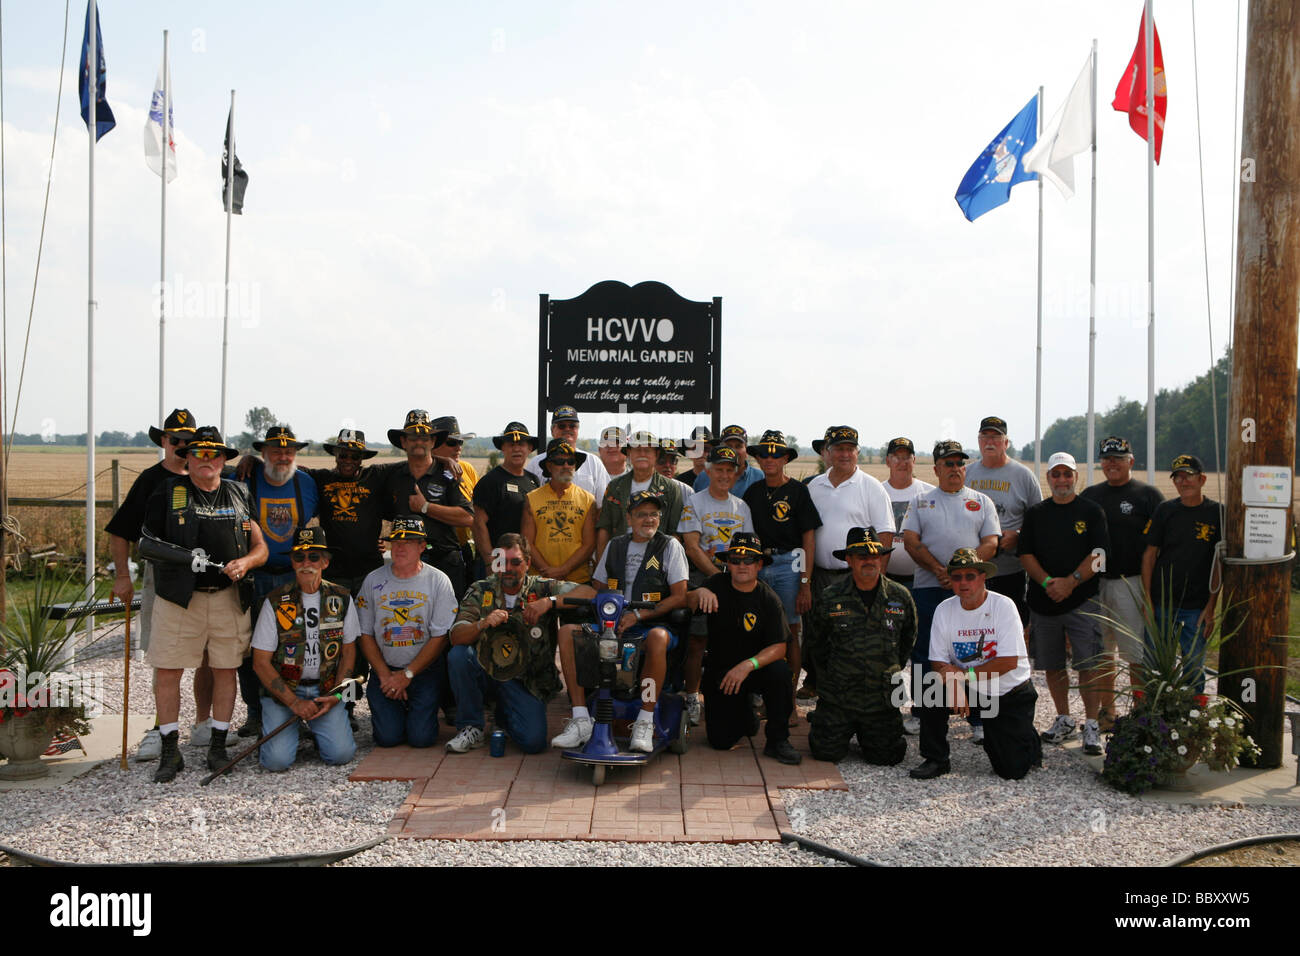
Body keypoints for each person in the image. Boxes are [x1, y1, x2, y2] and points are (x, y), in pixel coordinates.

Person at [141, 426, 267, 782]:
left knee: (226, 670)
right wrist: (182, 559)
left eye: (214, 454)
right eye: (198, 453)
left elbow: (261, 546)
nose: (206, 460)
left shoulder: (239, 492)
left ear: (224, 458)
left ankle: (217, 745)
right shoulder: (168, 492)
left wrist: (246, 562)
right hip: (180, 599)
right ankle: (170, 749)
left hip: (228, 598)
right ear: (188, 458)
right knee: (168, 671)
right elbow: (146, 542)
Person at [106, 408, 216, 757]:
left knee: (210, 656)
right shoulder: (151, 480)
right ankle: (160, 728)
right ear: (165, 442)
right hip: (164, 576)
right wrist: (123, 576)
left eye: (189, 441)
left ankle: (202, 723)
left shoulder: (213, 473)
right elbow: (119, 530)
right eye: (175, 440)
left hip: (209, 578)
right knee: (166, 656)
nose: (182, 446)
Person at [554, 491, 690, 753]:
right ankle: (581, 717)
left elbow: (680, 596)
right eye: (641, 514)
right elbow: (599, 587)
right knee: (568, 633)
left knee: (657, 638)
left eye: (653, 514)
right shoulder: (615, 545)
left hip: (653, 623)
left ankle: (645, 720)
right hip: (613, 622)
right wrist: (610, 617)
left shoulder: (670, 546)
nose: (648, 519)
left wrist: (639, 615)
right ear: (629, 518)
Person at [445, 534, 594, 754]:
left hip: (526, 681)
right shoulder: (481, 589)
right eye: (502, 562)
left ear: (528, 563)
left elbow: (589, 593)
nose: (508, 568)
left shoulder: (542, 588)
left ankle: (504, 716)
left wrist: (550, 602)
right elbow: (456, 636)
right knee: (459, 655)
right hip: (488, 670)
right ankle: (471, 726)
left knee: (533, 743)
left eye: (515, 562)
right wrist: (482, 624)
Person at [910, 549, 1041, 781]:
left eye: (970, 576)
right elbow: (938, 662)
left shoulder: (1003, 606)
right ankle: (936, 758)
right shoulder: (944, 609)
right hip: (973, 687)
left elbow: (1008, 662)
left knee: (1011, 771)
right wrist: (953, 684)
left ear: (983, 577)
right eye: (957, 577)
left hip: (1008, 692)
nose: (963, 583)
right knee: (930, 687)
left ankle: (1027, 738)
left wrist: (962, 677)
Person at [900, 440, 1000, 738]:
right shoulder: (921, 501)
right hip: (930, 587)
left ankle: (979, 718)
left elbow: (992, 542)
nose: (955, 469)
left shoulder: (982, 502)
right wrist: (939, 570)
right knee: (926, 651)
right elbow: (911, 541)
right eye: (948, 464)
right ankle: (923, 713)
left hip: (971, 592)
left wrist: (962, 573)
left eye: (959, 463)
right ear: (936, 469)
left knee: (976, 651)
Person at [1018, 452, 1111, 755]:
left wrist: (1071, 582)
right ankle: (1063, 718)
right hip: (1044, 603)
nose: (1061, 480)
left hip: (1082, 600)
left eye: (1067, 474)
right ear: (1048, 478)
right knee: (1053, 665)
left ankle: (1092, 724)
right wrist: (1048, 583)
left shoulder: (1092, 511)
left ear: (1076, 477)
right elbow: (1026, 554)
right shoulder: (1036, 513)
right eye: (1056, 474)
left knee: (1088, 663)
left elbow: (1099, 555)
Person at [805, 527, 916, 765]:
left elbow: (907, 641)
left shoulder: (900, 596)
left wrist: (888, 670)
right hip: (839, 697)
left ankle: (868, 732)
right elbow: (816, 643)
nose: (869, 561)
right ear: (849, 559)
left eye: (874, 555)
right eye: (861, 556)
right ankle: (826, 720)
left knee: (888, 757)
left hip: (881, 698)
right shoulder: (830, 596)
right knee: (825, 753)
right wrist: (832, 677)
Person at [250, 527, 358, 771]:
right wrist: (294, 704)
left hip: (324, 691)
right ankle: (287, 726)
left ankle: (309, 731)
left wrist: (337, 695)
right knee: (276, 762)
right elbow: (260, 662)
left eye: (314, 556)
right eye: (299, 556)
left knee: (341, 754)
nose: (306, 563)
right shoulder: (275, 601)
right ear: (292, 561)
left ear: (326, 562)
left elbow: (349, 653)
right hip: (285, 694)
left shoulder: (341, 598)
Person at [688, 533, 801, 764]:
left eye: (748, 560)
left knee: (780, 672)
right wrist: (698, 593)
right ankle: (744, 714)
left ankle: (778, 740)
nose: (741, 565)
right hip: (722, 672)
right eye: (735, 559)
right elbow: (684, 600)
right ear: (728, 563)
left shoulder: (768, 599)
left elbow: (780, 647)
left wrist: (749, 665)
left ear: (759, 565)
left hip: (755, 669)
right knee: (721, 742)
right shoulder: (715, 584)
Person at [238, 425, 319, 737]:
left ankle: (297, 706)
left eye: (289, 451)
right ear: (263, 453)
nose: (283, 456)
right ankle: (255, 712)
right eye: (276, 450)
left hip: (294, 576)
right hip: (254, 577)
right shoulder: (244, 479)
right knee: (251, 648)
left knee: (295, 644)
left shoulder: (308, 482)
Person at [802, 425, 895, 699]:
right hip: (819, 574)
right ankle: (816, 681)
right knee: (817, 631)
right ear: (827, 453)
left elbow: (885, 534)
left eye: (849, 449)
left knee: (851, 633)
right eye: (838, 449)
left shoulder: (871, 487)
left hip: (855, 575)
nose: (844, 454)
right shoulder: (814, 485)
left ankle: (848, 688)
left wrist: (880, 579)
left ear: (857, 452)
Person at [1080, 436, 1164, 728]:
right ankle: (1108, 712)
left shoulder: (1148, 496)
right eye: (1106, 458)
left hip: (1132, 582)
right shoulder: (1090, 495)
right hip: (1098, 582)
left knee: (1135, 654)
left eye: (1118, 457)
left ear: (1131, 460)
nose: (1112, 463)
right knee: (1103, 653)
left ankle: (1140, 713)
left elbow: (1160, 546)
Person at [356, 517, 458, 747]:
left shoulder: (439, 581)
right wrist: (384, 675)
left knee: (421, 739)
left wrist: (407, 675)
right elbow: (365, 633)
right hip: (386, 669)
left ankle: (417, 709)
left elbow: (440, 637)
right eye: (396, 541)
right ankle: (397, 708)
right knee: (388, 738)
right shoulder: (373, 580)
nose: (400, 547)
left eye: (409, 541)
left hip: (424, 672)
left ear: (422, 546)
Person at [677, 445, 755, 725]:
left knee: (736, 639)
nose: (724, 475)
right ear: (708, 471)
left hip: (738, 577)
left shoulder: (742, 507)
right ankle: (692, 696)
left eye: (729, 470)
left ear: (736, 474)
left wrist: (734, 578)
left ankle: (735, 694)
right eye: (718, 469)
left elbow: (749, 550)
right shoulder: (695, 502)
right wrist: (718, 578)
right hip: (704, 579)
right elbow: (691, 546)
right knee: (698, 640)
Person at [742, 430, 821, 700]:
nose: (769, 459)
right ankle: (758, 693)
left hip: (790, 563)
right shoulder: (752, 492)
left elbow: (809, 539)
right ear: (758, 458)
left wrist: (805, 583)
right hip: (758, 564)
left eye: (776, 454)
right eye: (764, 454)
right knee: (755, 628)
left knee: (791, 630)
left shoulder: (799, 492)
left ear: (785, 458)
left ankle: (787, 697)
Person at [1141, 454, 1221, 694]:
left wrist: (1211, 606)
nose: (1183, 482)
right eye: (1178, 477)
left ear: (1202, 479)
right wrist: (1147, 599)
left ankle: (1191, 719)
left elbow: (1219, 564)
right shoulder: (1165, 511)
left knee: (1194, 668)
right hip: (1162, 604)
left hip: (1196, 606)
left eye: (1189, 476)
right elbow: (1149, 556)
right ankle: (1154, 719)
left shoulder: (1217, 513)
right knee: (1155, 669)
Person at [382, 409, 474, 595]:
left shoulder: (449, 474)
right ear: (403, 441)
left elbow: (468, 517)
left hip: (445, 562)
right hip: (405, 564)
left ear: (433, 441)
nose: (419, 442)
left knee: (449, 621)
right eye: (413, 437)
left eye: (425, 437)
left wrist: (426, 507)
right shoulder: (390, 474)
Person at [963, 416, 1043, 626]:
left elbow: (1039, 522)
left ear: (1006, 443)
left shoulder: (1024, 476)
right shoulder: (966, 474)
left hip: (1010, 570)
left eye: (996, 438)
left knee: (1009, 627)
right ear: (978, 441)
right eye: (985, 437)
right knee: (973, 628)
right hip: (972, 569)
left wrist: (1018, 536)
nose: (990, 442)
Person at [595, 429, 685, 562]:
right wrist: (601, 566)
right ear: (629, 453)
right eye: (637, 449)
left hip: (656, 561)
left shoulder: (670, 489)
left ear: (656, 454)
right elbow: (604, 529)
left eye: (647, 450)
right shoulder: (615, 487)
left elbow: (675, 534)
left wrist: (664, 565)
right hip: (619, 559)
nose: (642, 454)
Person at [521, 438, 597, 583]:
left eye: (571, 461)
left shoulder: (588, 500)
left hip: (576, 581)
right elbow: (527, 542)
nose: (566, 466)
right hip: (539, 580)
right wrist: (548, 572)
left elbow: (589, 544)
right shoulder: (531, 498)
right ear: (549, 466)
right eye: (559, 462)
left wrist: (564, 569)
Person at [472, 422, 541, 564]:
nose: (516, 449)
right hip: (498, 558)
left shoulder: (533, 481)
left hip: (522, 561)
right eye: (511, 444)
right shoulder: (491, 481)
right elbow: (478, 523)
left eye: (521, 444)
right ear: (503, 448)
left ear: (529, 448)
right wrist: (489, 560)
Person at [524, 405, 609, 507]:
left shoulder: (593, 462)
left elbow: (604, 504)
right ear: (552, 430)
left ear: (577, 430)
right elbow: (529, 503)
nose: (567, 429)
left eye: (572, 426)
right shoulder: (535, 463)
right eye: (562, 426)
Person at [881, 437, 935, 590]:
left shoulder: (929, 493)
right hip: (886, 578)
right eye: (896, 457)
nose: (902, 462)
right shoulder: (877, 492)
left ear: (914, 460)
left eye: (907, 457)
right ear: (887, 461)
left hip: (922, 580)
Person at [431, 416, 480, 575]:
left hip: (465, 549)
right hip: (435, 553)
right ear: (434, 444)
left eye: (460, 442)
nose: (458, 448)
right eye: (452, 442)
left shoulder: (467, 468)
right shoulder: (425, 472)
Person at [691, 424, 764, 497]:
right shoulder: (704, 477)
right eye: (728, 446)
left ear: (746, 450)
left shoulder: (759, 477)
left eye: (738, 446)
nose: (733, 451)